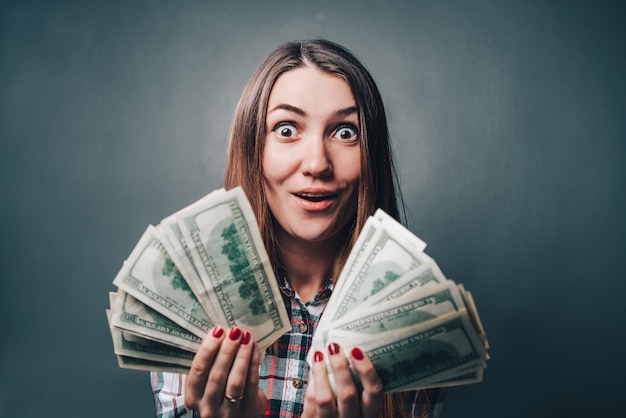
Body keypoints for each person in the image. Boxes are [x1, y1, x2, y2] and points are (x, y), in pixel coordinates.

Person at [150, 38, 446, 418]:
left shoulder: (416, 318)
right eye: (287, 129)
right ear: (253, 148)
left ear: (370, 156)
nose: (317, 163)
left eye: (345, 132)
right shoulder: (188, 303)